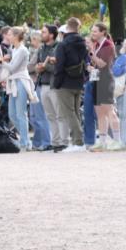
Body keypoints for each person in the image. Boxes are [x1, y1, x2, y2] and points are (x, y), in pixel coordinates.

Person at [51, 17, 88, 152]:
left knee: (69, 113)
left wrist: (57, 82)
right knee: (76, 112)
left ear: (67, 27)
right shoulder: (83, 42)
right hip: (78, 81)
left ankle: (78, 142)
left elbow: (59, 66)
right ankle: (77, 141)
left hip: (65, 82)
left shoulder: (63, 44)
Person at [87, 22, 124, 151]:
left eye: (95, 31)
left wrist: (91, 52)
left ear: (103, 32)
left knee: (109, 110)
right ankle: (102, 142)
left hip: (106, 80)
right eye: (92, 31)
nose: (93, 33)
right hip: (97, 79)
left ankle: (118, 140)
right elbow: (96, 63)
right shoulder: (97, 45)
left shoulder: (108, 45)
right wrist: (90, 66)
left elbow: (102, 64)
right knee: (99, 112)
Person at [0, 27, 37, 151]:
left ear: (16, 36)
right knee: (12, 114)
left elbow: (13, 68)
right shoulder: (14, 49)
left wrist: (0, 61)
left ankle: (25, 142)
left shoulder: (23, 50)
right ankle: (25, 139)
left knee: (21, 113)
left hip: (21, 81)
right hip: (14, 81)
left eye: (9, 34)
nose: (7, 37)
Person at [34, 25, 60, 151]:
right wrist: (38, 68)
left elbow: (58, 68)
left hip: (55, 85)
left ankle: (62, 141)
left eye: (44, 32)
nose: (41, 34)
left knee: (59, 114)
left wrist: (45, 67)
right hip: (43, 84)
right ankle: (54, 142)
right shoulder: (41, 48)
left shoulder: (59, 47)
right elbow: (37, 65)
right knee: (49, 115)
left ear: (51, 34)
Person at [26, 30, 52, 150]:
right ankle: (37, 141)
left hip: (37, 84)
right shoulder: (38, 50)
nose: (31, 42)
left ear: (36, 40)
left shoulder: (39, 50)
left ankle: (46, 141)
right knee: (34, 116)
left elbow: (30, 66)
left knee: (39, 115)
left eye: (32, 39)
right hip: (34, 85)